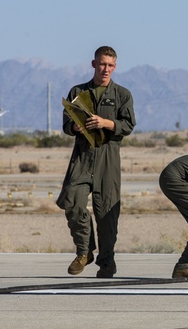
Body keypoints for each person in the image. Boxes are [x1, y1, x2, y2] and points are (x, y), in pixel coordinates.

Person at [56, 46, 136, 278]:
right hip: (82, 157)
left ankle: (106, 263)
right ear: (93, 64)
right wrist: (74, 126)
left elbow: (128, 125)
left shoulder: (122, 94)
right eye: (102, 64)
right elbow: (66, 125)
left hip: (108, 157)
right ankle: (84, 250)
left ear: (115, 67)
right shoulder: (77, 91)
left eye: (110, 65)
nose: (106, 69)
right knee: (72, 201)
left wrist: (105, 123)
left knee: (107, 213)